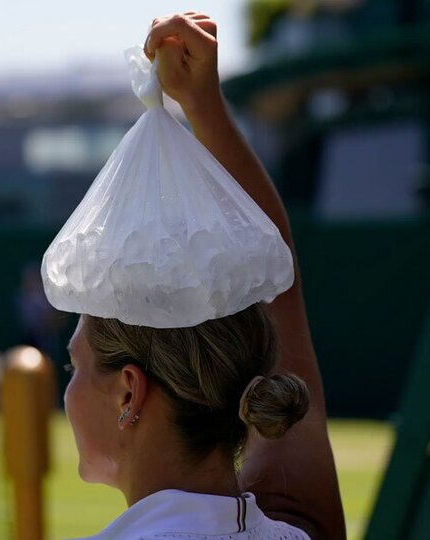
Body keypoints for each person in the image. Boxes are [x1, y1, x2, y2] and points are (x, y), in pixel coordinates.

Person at [61, 12, 346, 540]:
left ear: (129, 394)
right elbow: (277, 283)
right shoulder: (296, 530)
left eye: (72, 365)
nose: (68, 390)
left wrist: (199, 103)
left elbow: (277, 285)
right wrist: (202, 104)